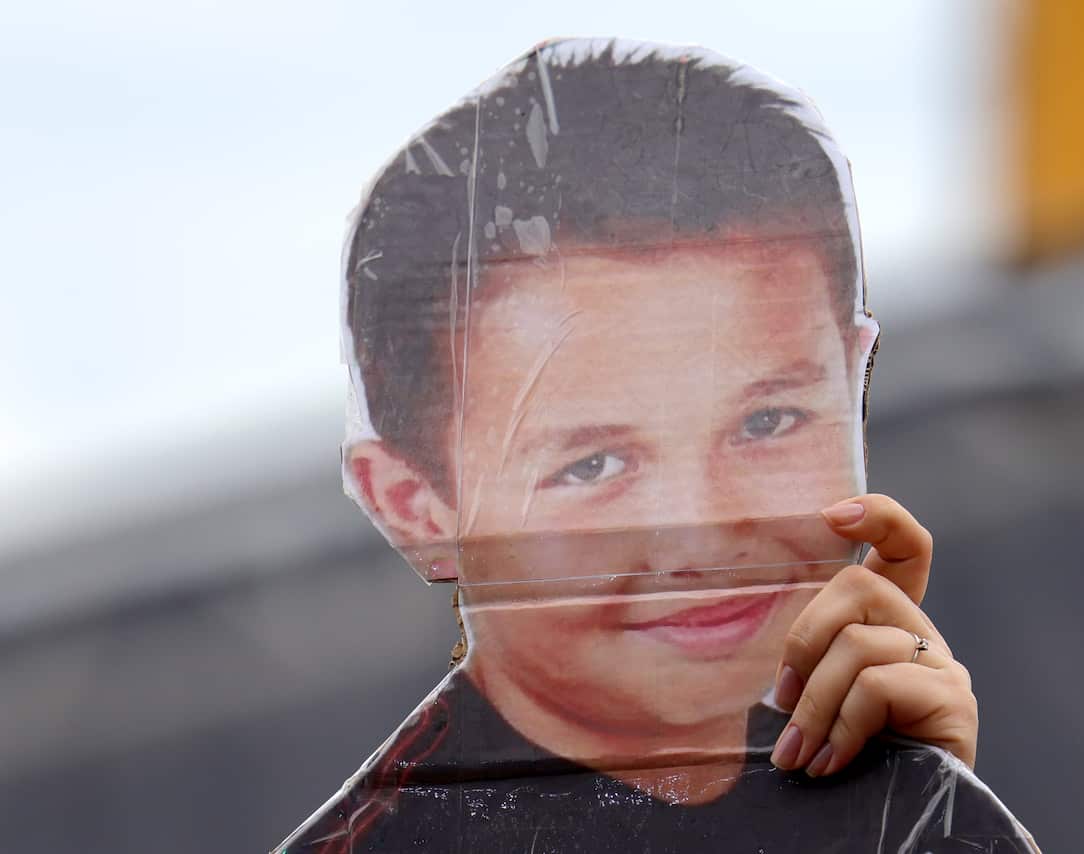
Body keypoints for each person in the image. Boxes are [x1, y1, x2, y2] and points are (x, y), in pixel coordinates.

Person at [276, 39, 1036, 853]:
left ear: (854, 376)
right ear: (412, 505)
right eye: (592, 465)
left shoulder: (907, 807)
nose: (705, 536)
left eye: (767, 422)